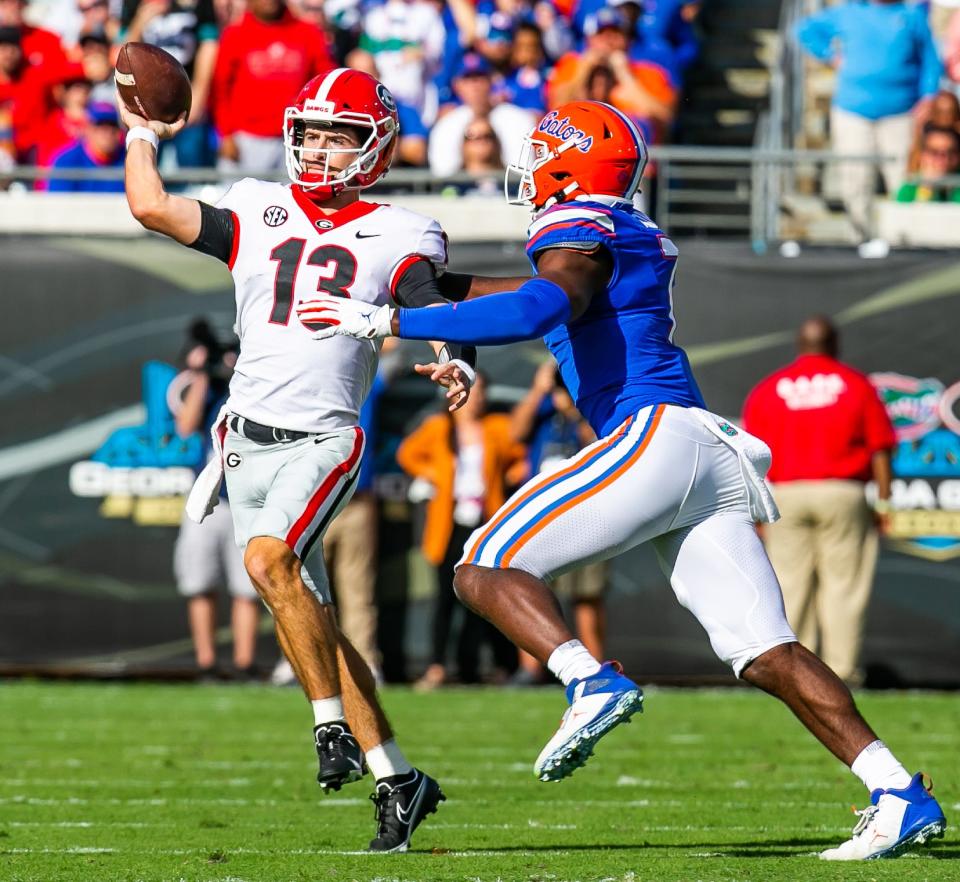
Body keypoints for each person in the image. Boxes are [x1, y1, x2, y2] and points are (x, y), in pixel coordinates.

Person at [302, 99, 948, 861]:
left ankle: (589, 680)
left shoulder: (575, 227)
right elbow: (539, 295)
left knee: (483, 566)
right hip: (701, 451)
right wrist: (445, 296)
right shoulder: (616, 228)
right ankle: (898, 792)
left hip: (652, 435)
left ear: (572, 163)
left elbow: (546, 301)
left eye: (542, 153)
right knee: (767, 651)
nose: (530, 169)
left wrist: (389, 322)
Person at [120, 67, 478, 852]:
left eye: (338, 135)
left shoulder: (401, 228)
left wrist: (455, 353)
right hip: (243, 437)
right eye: (310, 131)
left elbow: (431, 303)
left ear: (376, 147)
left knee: (267, 559)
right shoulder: (254, 203)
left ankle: (328, 729)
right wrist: (143, 129)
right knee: (303, 608)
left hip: (324, 438)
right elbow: (149, 204)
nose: (317, 147)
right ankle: (398, 777)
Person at [742, 317, 896, 688]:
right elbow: (880, 448)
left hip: (785, 496)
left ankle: (799, 680)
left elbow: (748, 456)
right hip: (841, 493)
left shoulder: (769, 388)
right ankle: (841, 674)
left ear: (799, 344)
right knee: (844, 589)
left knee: (790, 587)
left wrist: (754, 511)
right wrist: (886, 503)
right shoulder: (855, 384)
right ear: (835, 344)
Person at [397, 371, 526, 688]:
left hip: (484, 521)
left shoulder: (496, 427)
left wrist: (512, 475)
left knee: (479, 598)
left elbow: (519, 456)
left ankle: (474, 667)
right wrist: (433, 474)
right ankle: (437, 665)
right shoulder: (439, 428)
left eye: (482, 391)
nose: (477, 398)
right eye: (473, 391)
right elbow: (407, 454)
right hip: (449, 522)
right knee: (444, 597)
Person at [797, 0, 942, 257]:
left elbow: (930, 57)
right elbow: (805, 30)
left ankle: (903, 243)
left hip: (900, 112)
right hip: (853, 111)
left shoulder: (911, 16)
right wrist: (830, 56)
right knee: (855, 180)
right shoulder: (848, 12)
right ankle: (859, 241)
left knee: (903, 181)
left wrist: (929, 95)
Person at [172, 319, 261, 680]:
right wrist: (202, 374)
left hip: (246, 500)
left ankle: (245, 663)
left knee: (248, 589)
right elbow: (185, 425)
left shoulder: (252, 384)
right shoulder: (209, 390)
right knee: (199, 583)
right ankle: (206, 663)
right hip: (206, 502)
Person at [509, 359, 606, 684]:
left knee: (586, 596)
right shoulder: (541, 409)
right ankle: (530, 669)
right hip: (537, 515)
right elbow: (515, 432)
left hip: (583, 514)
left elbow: (599, 442)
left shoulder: (590, 405)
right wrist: (539, 391)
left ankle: (596, 669)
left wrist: (575, 409)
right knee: (527, 590)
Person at [211, 0, 334, 172]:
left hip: (295, 137)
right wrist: (226, 135)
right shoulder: (234, 34)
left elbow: (326, 82)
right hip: (245, 140)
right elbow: (220, 89)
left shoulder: (309, 33)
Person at [428, 52, 536, 178]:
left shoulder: (519, 119)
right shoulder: (446, 125)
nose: (475, 85)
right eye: (467, 78)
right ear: (456, 85)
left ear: (492, 81)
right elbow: (442, 174)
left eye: (480, 77)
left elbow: (525, 174)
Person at [48, 100, 124, 191]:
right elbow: (58, 202)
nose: (108, 131)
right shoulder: (67, 162)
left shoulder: (128, 159)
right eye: (100, 125)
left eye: (113, 125)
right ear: (88, 128)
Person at [896, 126, 960, 203]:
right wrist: (926, 187)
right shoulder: (909, 189)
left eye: (951, 151)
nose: (943, 158)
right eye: (934, 152)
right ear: (922, 155)